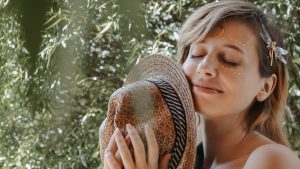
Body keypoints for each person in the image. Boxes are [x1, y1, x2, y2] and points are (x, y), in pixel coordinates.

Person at [102, 0, 300, 168]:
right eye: (196, 54)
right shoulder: (183, 160)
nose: (205, 67)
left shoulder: (271, 159)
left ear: (265, 87)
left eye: (229, 60)